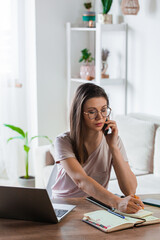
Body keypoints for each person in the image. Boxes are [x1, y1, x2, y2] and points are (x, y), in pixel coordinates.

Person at [51, 83, 144, 213]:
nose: (100, 117)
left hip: (95, 204)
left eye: (104, 110)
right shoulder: (63, 141)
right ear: (79, 114)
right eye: (91, 112)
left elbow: (130, 190)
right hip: (65, 205)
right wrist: (117, 202)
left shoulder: (114, 139)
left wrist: (113, 147)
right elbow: (81, 180)